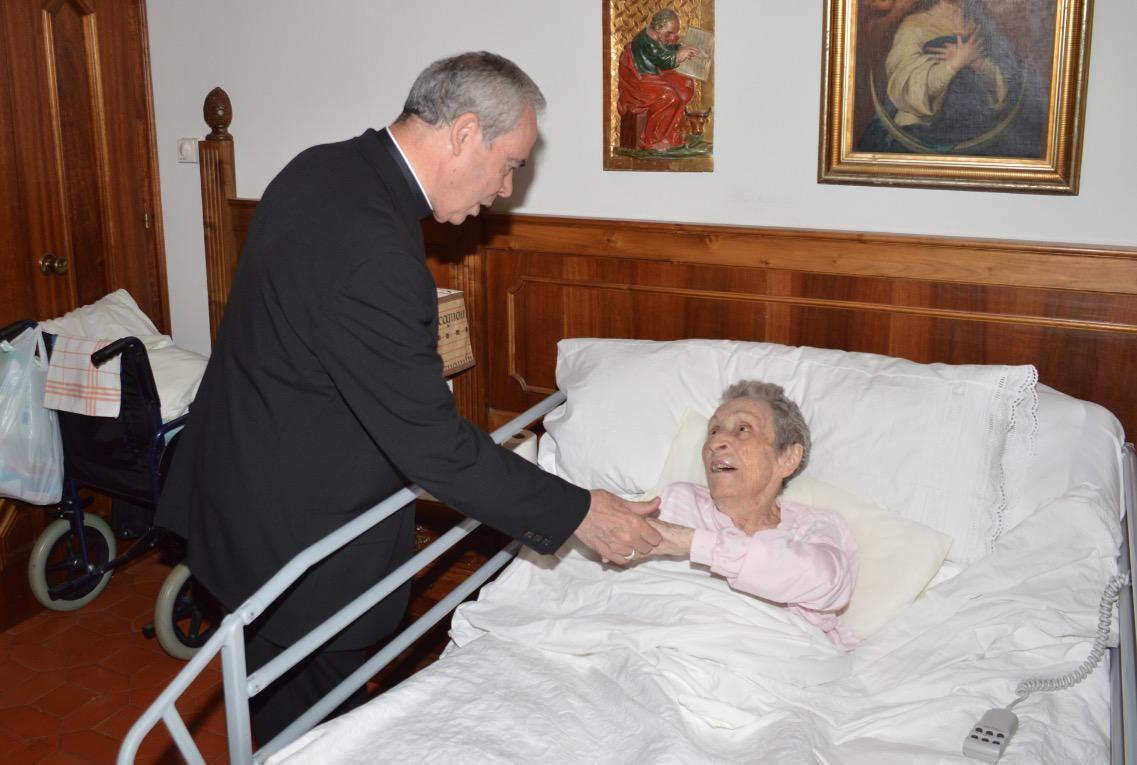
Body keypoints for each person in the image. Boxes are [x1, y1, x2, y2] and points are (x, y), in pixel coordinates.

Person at [155, 51, 661, 743]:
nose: (507, 188)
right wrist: (578, 511)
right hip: (299, 536)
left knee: (272, 698)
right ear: (463, 132)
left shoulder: (319, 168)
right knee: (308, 729)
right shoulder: (378, 254)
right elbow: (434, 447)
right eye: (509, 163)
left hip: (238, 487)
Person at [641, 381, 859, 648]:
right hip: (663, 646)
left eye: (743, 429)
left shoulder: (811, 525)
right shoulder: (680, 500)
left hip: (768, 656)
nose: (715, 442)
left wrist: (693, 543)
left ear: (787, 458)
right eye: (713, 431)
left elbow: (826, 582)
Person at [856, 0, 1046, 157]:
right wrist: (955, 64)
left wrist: (978, 63)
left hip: (976, 133)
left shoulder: (983, 29)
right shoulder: (914, 26)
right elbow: (905, 87)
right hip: (923, 135)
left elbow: (1006, 84)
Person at [617, 8, 700, 151]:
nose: (672, 37)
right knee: (670, 96)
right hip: (640, 81)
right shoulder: (645, 41)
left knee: (685, 85)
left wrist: (681, 47)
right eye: (669, 33)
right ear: (658, 28)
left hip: (655, 75)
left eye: (674, 33)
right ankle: (653, 139)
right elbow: (661, 59)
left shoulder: (658, 36)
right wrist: (679, 55)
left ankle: (670, 131)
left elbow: (665, 48)